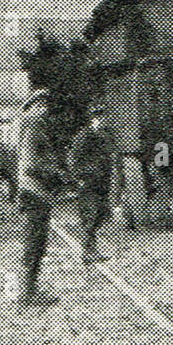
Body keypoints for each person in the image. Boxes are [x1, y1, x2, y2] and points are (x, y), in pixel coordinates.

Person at [15, 51, 66, 307]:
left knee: (36, 242)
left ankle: (29, 289)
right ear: (35, 106)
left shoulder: (31, 124)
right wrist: (58, 174)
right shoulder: (35, 125)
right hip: (35, 190)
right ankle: (27, 292)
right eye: (42, 104)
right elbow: (35, 163)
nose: (46, 109)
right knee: (35, 243)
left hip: (32, 190)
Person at [67, 102, 116, 263]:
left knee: (101, 215)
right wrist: (79, 178)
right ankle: (88, 252)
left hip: (102, 182)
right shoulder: (84, 135)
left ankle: (91, 249)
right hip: (87, 182)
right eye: (98, 117)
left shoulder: (105, 136)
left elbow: (109, 158)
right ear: (92, 119)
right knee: (90, 216)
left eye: (103, 117)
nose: (101, 120)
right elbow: (72, 158)